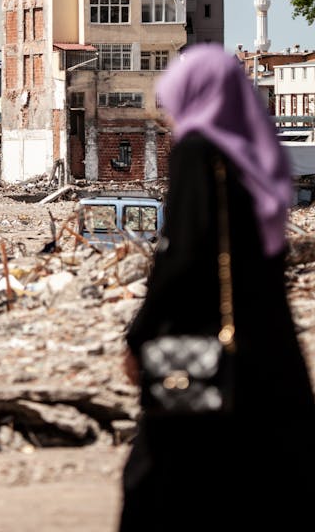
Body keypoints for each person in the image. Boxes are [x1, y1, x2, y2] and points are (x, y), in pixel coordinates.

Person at [118, 43, 315, 531]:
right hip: (270, 356)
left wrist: (139, 335)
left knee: (160, 484)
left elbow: (182, 254)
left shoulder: (200, 151)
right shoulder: (258, 156)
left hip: (208, 352)